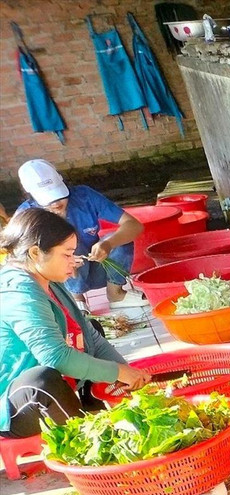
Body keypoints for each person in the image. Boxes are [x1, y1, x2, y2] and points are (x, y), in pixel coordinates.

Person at [0, 208, 149, 439]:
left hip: (55, 381)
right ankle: (88, 438)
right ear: (36, 252)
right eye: (67, 254)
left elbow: (89, 334)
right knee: (42, 382)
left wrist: (127, 375)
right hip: (14, 404)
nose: (74, 261)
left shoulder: (46, 278)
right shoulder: (19, 292)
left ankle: (93, 407)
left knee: (89, 331)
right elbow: (56, 358)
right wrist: (117, 372)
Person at [17, 159, 146, 310]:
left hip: (96, 265)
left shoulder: (84, 196)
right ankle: (75, 300)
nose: (56, 204)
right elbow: (22, 261)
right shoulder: (26, 216)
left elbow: (134, 225)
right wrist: (60, 261)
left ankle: (115, 293)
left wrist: (108, 243)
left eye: (59, 196)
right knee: (64, 247)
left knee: (121, 240)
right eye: (49, 200)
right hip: (60, 278)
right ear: (31, 196)